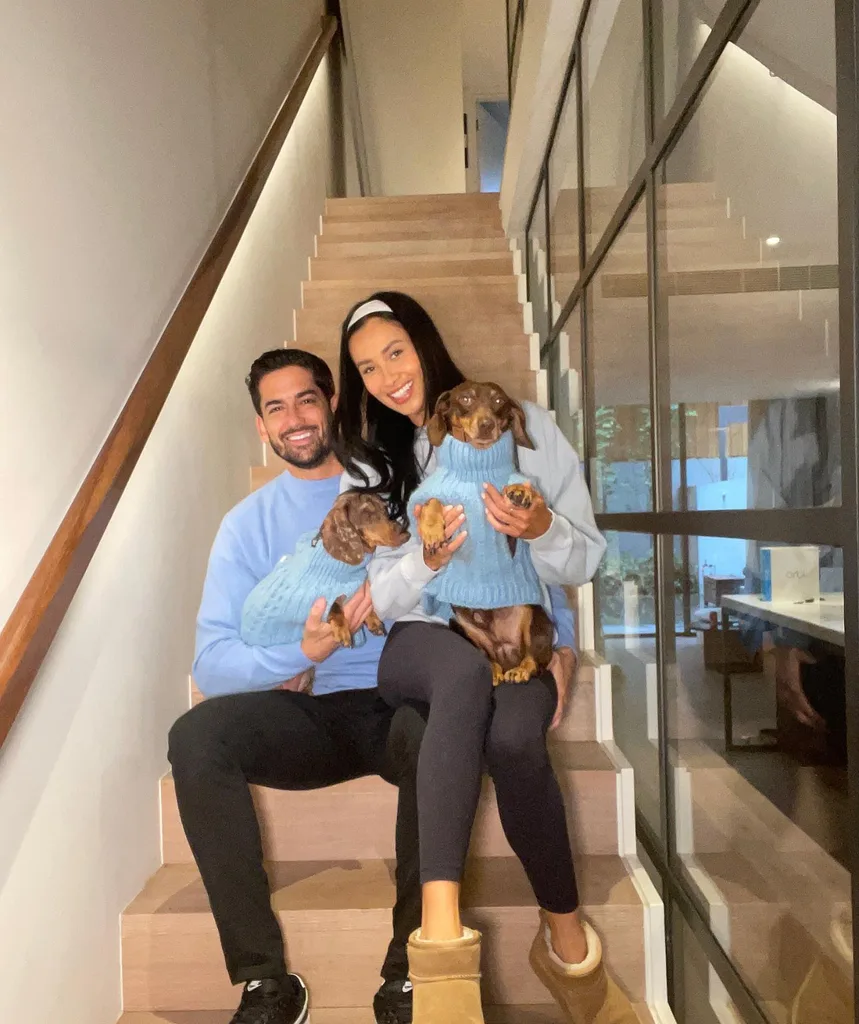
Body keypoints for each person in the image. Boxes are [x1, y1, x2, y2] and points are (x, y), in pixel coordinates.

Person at [333, 291, 638, 1024]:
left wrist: (540, 531)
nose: (386, 377)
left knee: (512, 736)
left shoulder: (527, 430)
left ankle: (562, 935)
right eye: (366, 368)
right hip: (421, 637)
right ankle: (438, 941)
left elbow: (584, 559)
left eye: (395, 353)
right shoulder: (370, 467)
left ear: (425, 343)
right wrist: (426, 563)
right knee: (465, 673)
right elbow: (382, 598)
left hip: (511, 624)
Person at [167, 348, 426, 1024]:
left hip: (396, 702)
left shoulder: (392, 490)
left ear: (332, 402)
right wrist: (297, 651)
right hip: (306, 716)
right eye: (275, 408)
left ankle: (409, 973)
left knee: (438, 731)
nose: (294, 419)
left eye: (305, 400)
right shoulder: (244, 526)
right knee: (196, 735)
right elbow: (212, 663)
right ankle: (263, 982)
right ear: (261, 427)